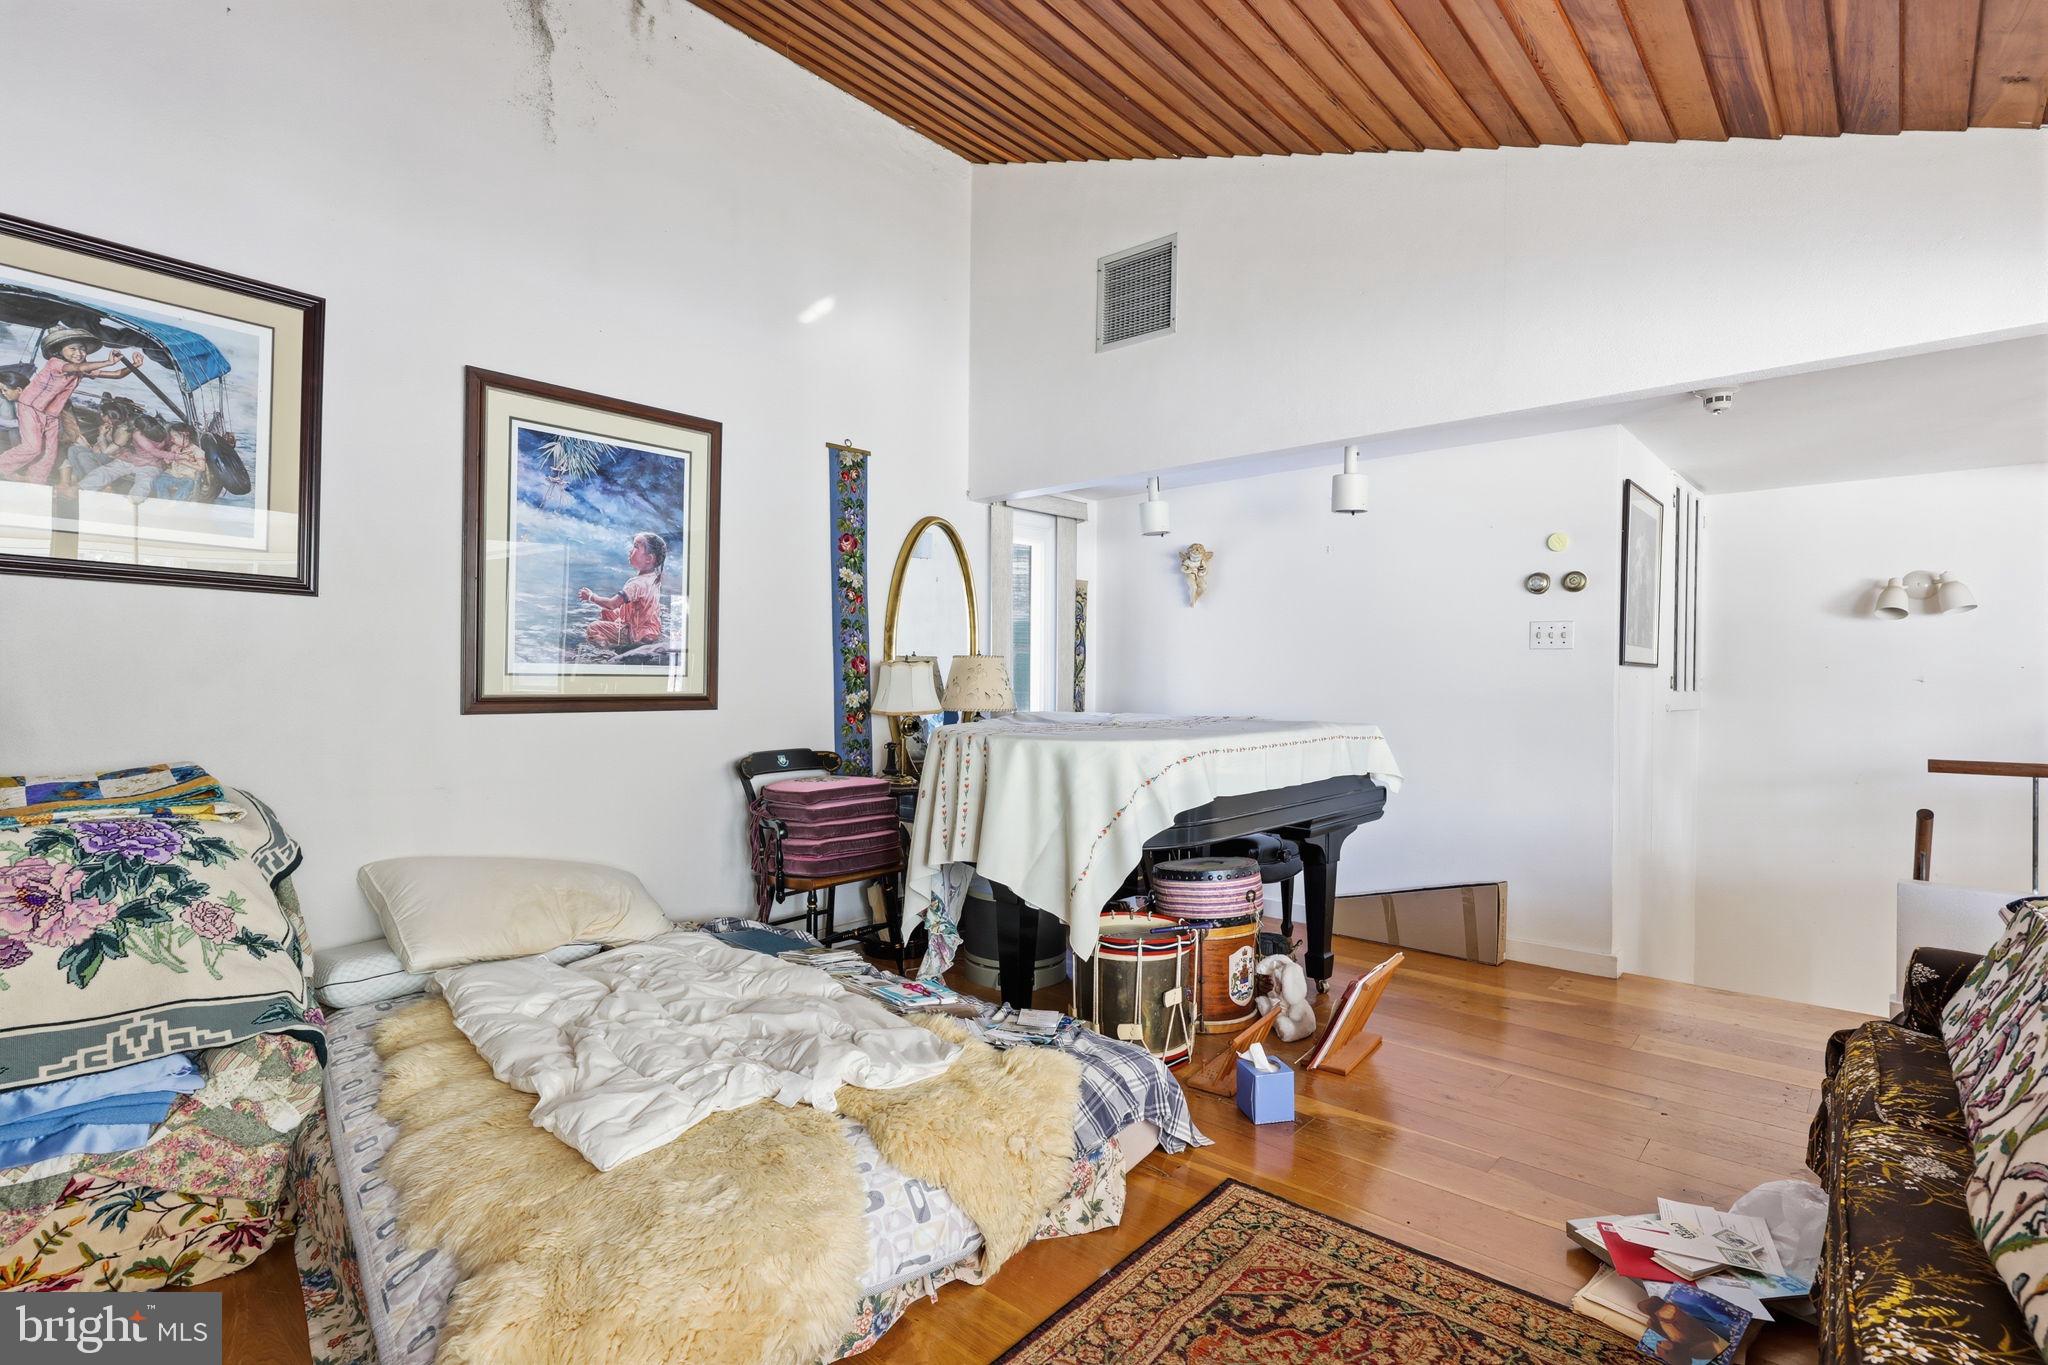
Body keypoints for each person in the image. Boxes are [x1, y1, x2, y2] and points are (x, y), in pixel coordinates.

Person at [0, 327, 141, 484]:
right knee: (32, 448)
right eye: (72, 349)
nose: (79, 353)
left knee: (49, 453)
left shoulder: (83, 368)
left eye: (82, 349)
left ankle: (36, 480)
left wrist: (134, 365)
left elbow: (116, 375)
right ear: (60, 351)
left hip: (52, 415)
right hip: (31, 408)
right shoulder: (55, 363)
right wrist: (108, 362)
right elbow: (79, 367)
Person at [578, 531, 668, 651]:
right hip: (650, 629)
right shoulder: (653, 578)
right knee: (606, 612)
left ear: (649, 558)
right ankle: (614, 637)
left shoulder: (636, 584)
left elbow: (612, 604)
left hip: (636, 633)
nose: (630, 550)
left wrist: (591, 597)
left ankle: (606, 652)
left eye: (636, 546)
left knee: (593, 628)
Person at [77, 408, 168, 502]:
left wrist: (102, 435)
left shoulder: (161, 435)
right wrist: (106, 435)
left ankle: (133, 502)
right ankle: (81, 488)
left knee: (144, 482)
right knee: (106, 471)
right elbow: (113, 447)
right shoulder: (127, 431)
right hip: (130, 458)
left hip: (151, 464)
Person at [153, 422, 208, 500]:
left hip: (187, 478)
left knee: (188, 485)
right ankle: (165, 501)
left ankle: (176, 503)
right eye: (171, 437)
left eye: (174, 436)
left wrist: (185, 462)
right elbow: (168, 460)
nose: (172, 439)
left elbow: (202, 468)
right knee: (159, 480)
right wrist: (168, 459)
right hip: (173, 475)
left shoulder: (197, 451)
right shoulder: (174, 447)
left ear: (185, 435)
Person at [0, 368, 25, 456]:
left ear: (19, 390)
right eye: (1, 391)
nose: (3, 393)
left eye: (4, 390)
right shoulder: (15, 401)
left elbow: (21, 424)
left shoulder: (26, 404)